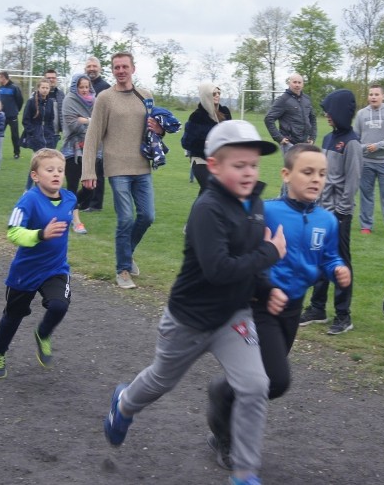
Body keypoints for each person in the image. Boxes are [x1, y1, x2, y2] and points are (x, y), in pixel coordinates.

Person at [102, 119, 286, 485]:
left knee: (255, 386)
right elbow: (219, 269)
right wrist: (270, 252)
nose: (249, 172)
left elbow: (247, 261)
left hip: (234, 317)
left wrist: (266, 289)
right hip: (189, 320)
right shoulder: (208, 209)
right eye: (239, 165)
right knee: (160, 381)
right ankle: (123, 404)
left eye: (253, 164)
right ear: (214, 167)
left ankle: (245, 472)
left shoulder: (255, 204)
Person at [206, 143, 349, 471]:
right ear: (286, 174)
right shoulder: (267, 211)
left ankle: (225, 391)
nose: (316, 179)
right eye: (308, 172)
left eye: (322, 174)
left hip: (292, 308)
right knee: (276, 380)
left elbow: (328, 256)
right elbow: (246, 252)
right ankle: (229, 437)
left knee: (265, 379)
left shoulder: (327, 220)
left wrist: (337, 268)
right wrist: (263, 282)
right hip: (261, 305)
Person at [0, 148, 76, 378]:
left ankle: (43, 333)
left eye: (60, 170)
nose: (57, 174)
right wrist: (40, 235)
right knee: (13, 317)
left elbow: (69, 212)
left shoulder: (69, 198)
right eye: (50, 170)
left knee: (59, 305)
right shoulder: (28, 200)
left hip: (56, 268)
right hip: (25, 272)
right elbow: (13, 233)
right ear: (35, 176)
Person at [80, 52, 161, 289]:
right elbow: (93, 134)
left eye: (125, 66)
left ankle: (127, 253)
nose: (121, 70)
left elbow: (154, 130)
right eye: (117, 67)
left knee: (148, 216)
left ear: (133, 69)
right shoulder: (105, 98)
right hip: (117, 168)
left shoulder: (145, 96)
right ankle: (122, 270)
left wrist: (160, 129)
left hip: (142, 166)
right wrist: (88, 171)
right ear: (113, 71)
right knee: (125, 218)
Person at [299, 90, 361, 335]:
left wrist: (343, 213)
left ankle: (343, 315)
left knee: (340, 263)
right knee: (318, 258)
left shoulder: (352, 143)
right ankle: (317, 308)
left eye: (330, 111)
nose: (326, 115)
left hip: (339, 215)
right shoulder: (326, 139)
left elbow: (352, 181)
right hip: (321, 211)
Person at [354, 84, 384, 234]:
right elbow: (355, 138)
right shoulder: (361, 114)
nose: (373, 97)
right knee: (366, 195)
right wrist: (366, 148)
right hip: (366, 162)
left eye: (376, 94)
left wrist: (378, 146)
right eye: (371, 94)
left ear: (383, 96)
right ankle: (366, 226)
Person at [61, 73, 98, 235]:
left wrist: (84, 120)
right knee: (72, 185)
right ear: (75, 87)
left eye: (86, 87)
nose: (84, 90)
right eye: (81, 87)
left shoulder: (95, 101)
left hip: (91, 148)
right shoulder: (69, 100)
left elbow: (100, 124)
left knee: (90, 187)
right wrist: (90, 121)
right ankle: (76, 221)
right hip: (72, 149)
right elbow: (72, 125)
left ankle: (66, 208)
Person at [181, 82, 232, 196]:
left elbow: (230, 134)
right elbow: (186, 143)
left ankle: (198, 213)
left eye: (219, 93)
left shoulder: (225, 112)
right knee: (212, 190)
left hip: (221, 161)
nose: (217, 95)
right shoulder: (197, 116)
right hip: (201, 161)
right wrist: (207, 144)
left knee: (207, 194)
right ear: (206, 96)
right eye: (214, 93)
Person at [264, 73, 316, 155]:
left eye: (299, 82)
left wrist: (312, 136)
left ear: (303, 84)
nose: (297, 85)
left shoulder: (307, 99)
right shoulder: (283, 99)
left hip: (305, 143)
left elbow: (312, 118)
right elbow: (268, 118)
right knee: (292, 168)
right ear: (289, 83)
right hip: (289, 144)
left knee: (304, 167)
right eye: (294, 82)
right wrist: (279, 138)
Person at [83, 56, 110, 211]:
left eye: (94, 66)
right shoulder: (82, 85)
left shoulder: (104, 87)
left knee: (98, 171)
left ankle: (96, 204)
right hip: (83, 133)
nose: (91, 68)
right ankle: (86, 201)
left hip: (99, 134)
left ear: (99, 68)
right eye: (89, 66)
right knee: (86, 169)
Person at [0, 71, 24, 159]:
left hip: (12, 116)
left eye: (0, 77)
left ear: (4, 77)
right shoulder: (0, 88)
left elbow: (20, 100)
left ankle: (17, 153)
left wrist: (16, 110)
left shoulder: (14, 88)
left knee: (15, 135)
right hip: (1, 116)